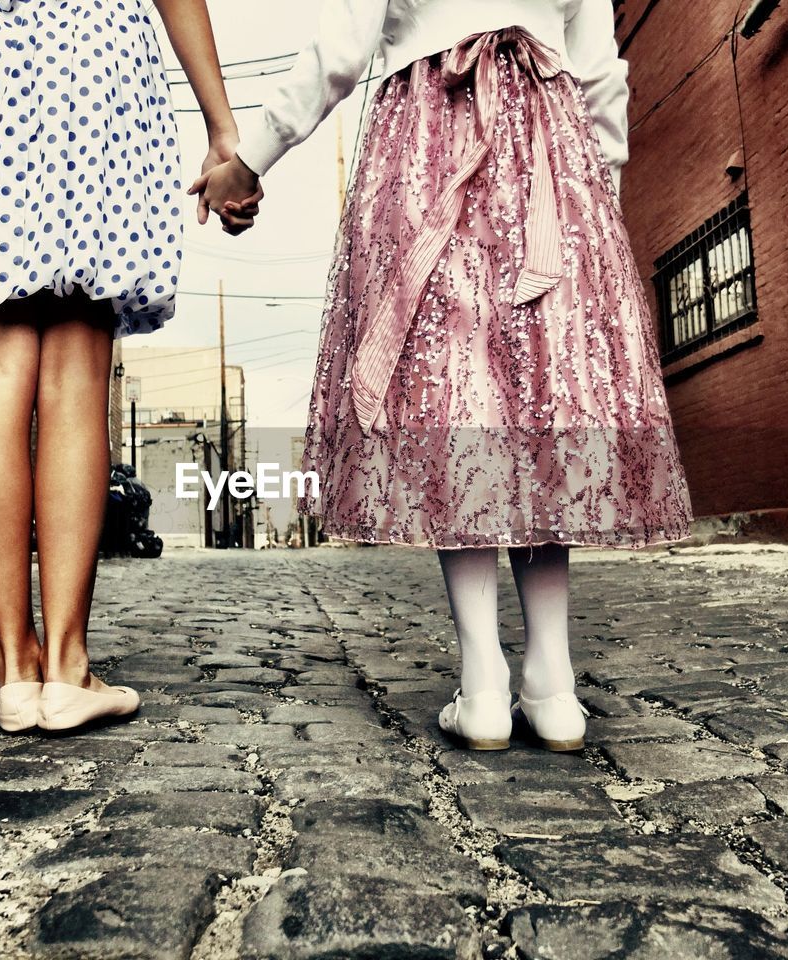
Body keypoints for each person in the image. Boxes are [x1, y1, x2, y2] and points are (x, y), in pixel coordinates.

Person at [193, 0, 694, 751]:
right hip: (550, 151)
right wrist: (600, 200)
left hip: (426, 137)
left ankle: (484, 680)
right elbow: (598, 68)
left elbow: (340, 48)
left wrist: (247, 158)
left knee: (454, 397)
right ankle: (553, 682)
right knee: (539, 404)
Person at [0, 0, 253, 733]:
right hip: (98, 65)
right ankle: (66, 664)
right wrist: (223, 130)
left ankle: (15, 667)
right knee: (78, 366)